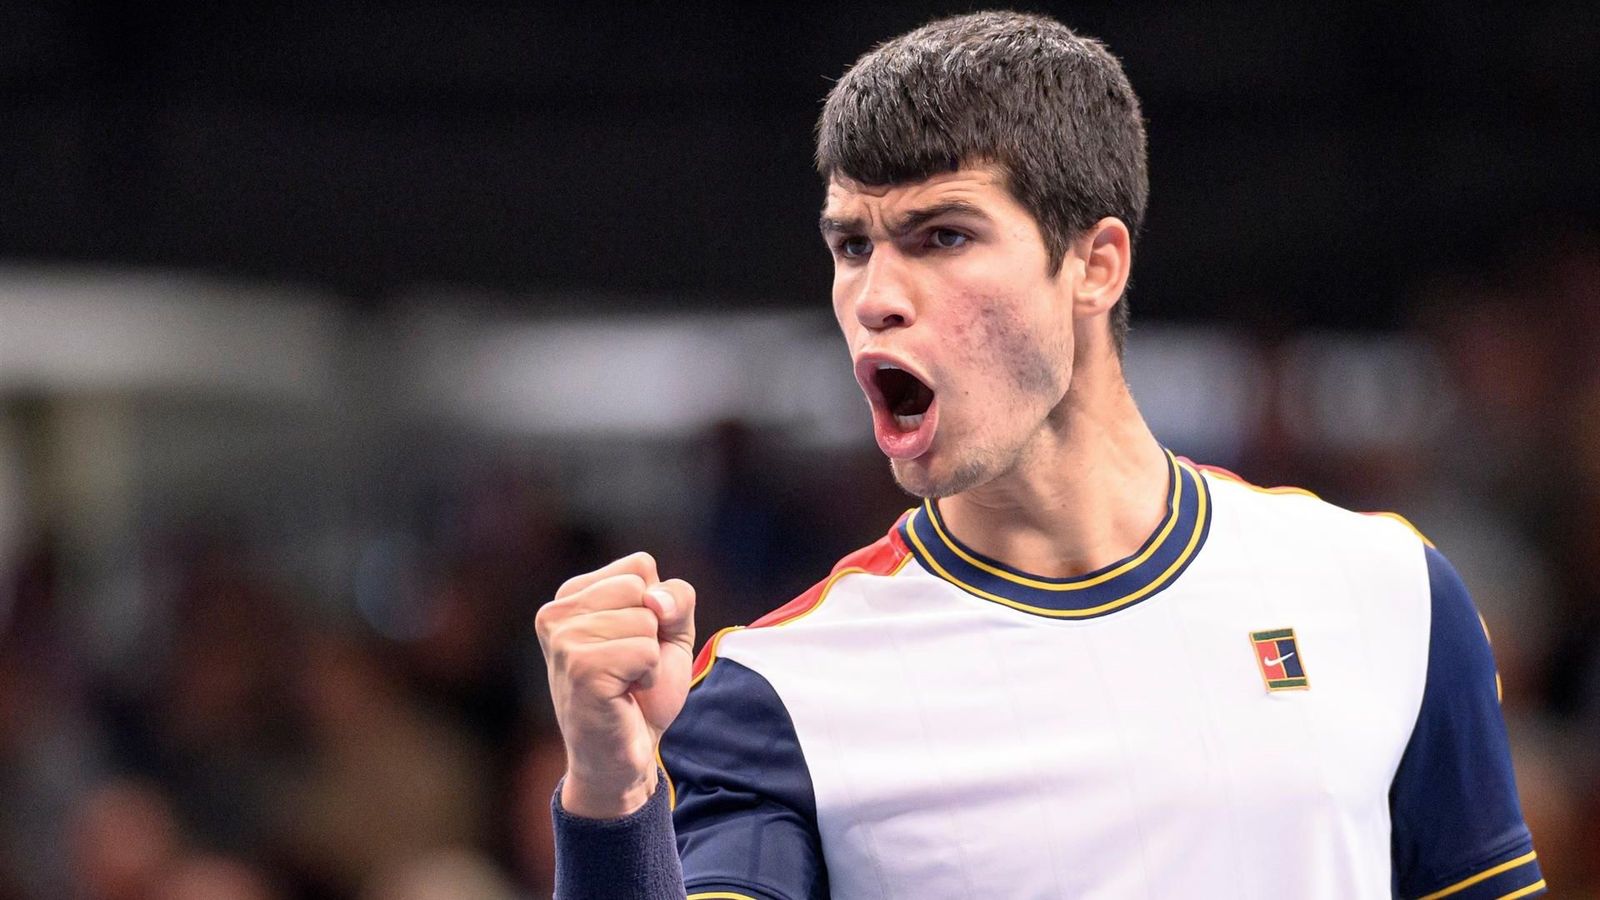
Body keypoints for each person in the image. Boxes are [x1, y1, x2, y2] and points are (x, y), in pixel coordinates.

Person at [535, 11, 1545, 899]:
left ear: (1094, 264)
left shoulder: (1387, 593)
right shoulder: (773, 693)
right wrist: (612, 798)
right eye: (852, 246)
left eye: (939, 235)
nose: (875, 296)